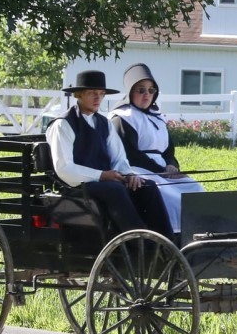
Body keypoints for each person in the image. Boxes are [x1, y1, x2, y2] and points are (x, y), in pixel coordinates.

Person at [44, 70, 176, 243]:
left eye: (101, 94)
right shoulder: (64, 124)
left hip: (104, 182)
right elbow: (65, 169)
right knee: (115, 189)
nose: (97, 98)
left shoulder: (104, 123)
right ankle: (139, 242)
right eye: (92, 93)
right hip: (76, 186)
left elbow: (119, 157)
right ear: (79, 95)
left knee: (147, 186)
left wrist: (128, 175)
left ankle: (167, 241)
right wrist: (102, 175)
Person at [109, 63, 204, 236]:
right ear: (130, 91)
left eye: (151, 90)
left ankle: (200, 233)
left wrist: (171, 165)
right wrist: (160, 170)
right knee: (172, 198)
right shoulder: (122, 118)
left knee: (195, 189)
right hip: (137, 171)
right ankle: (175, 237)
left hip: (163, 172)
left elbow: (168, 150)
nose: (147, 95)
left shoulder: (158, 118)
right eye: (141, 90)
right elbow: (130, 155)